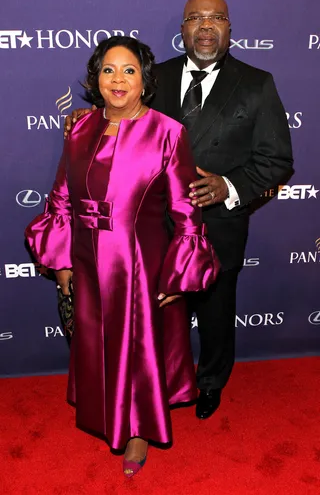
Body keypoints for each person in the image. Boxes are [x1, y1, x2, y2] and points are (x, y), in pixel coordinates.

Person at [64, 0, 293, 422]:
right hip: (149, 233)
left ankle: (210, 382)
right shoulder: (154, 77)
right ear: (183, 29)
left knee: (215, 315)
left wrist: (228, 186)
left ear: (229, 28)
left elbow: (278, 159)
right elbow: (119, 114)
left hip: (216, 227)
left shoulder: (257, 84)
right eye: (196, 19)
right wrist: (86, 118)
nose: (206, 27)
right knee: (155, 322)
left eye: (216, 18)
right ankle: (155, 385)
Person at [25, 36, 219, 477]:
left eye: (129, 70)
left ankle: (137, 432)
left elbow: (186, 212)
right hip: (88, 261)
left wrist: (178, 276)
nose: (118, 79)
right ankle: (108, 414)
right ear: (95, 78)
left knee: (136, 348)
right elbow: (61, 200)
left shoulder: (168, 133)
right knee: (98, 344)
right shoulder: (79, 128)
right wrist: (62, 263)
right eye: (108, 69)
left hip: (139, 263)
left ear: (144, 81)